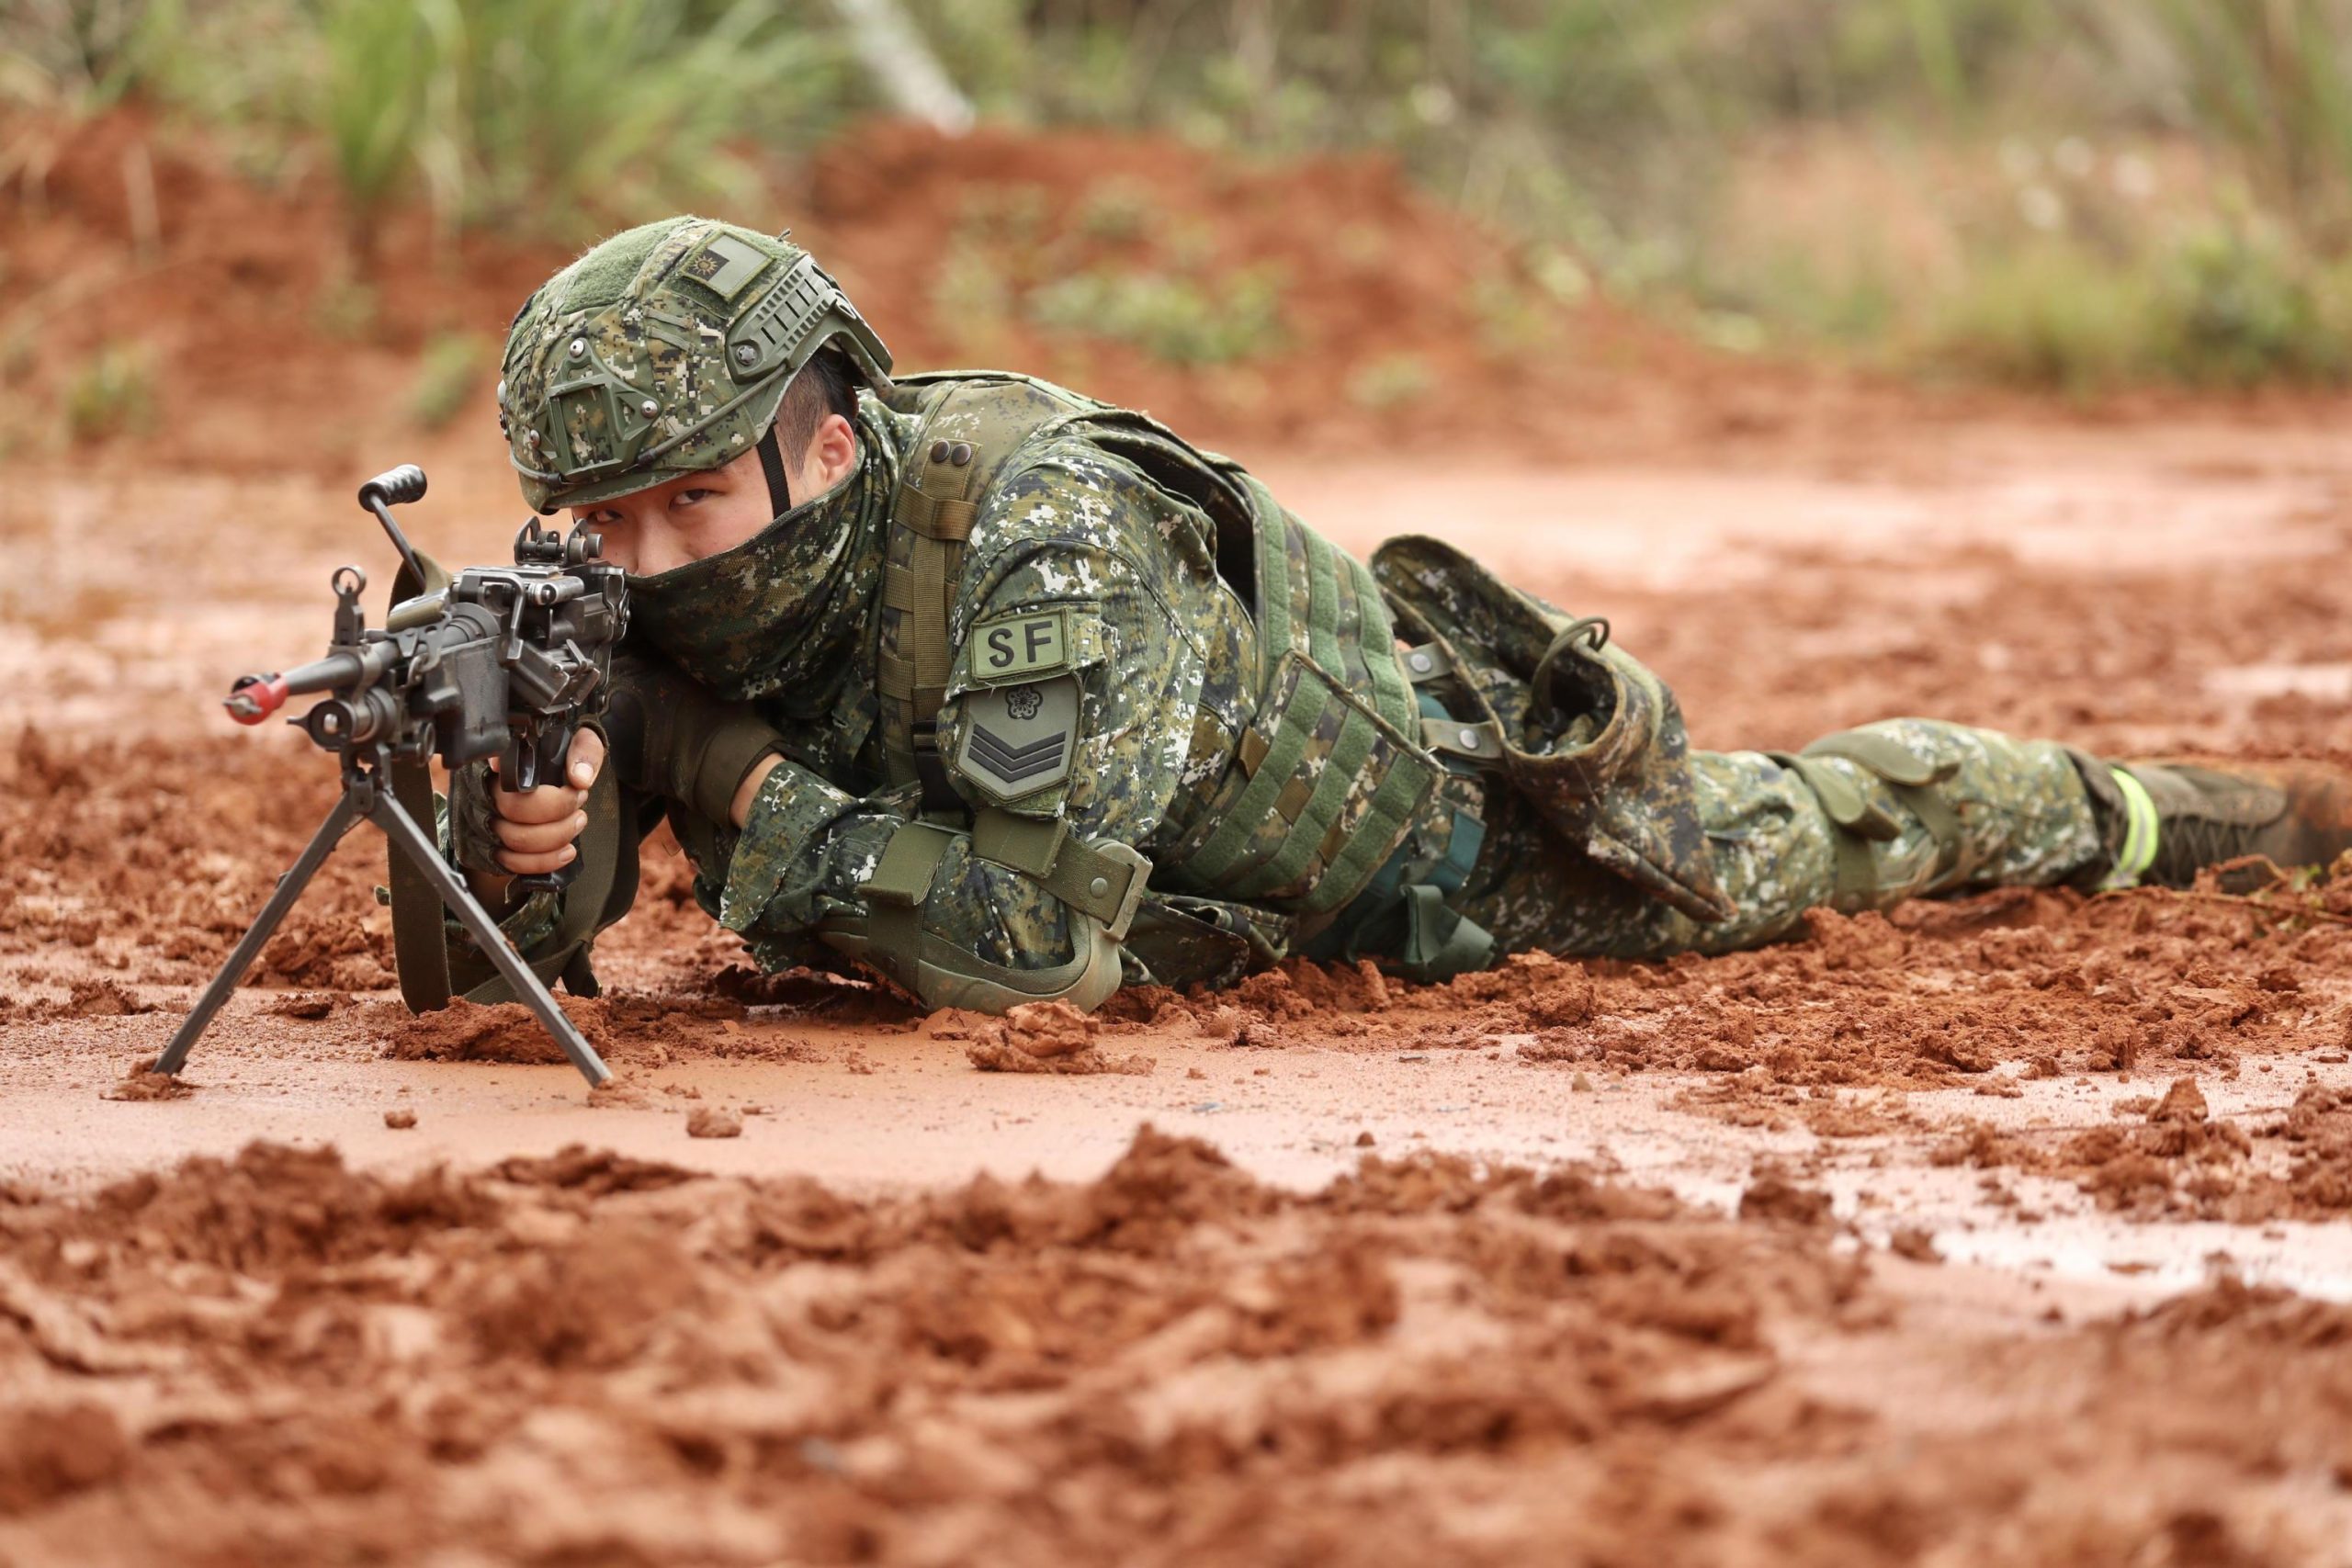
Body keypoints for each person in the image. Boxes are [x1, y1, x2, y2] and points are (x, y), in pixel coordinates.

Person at [437, 215, 2352, 1013]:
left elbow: (1031, 954)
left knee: (1830, 832)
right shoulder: (604, 599)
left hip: (1435, 843)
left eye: (696, 498)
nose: (651, 559)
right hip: (1176, 871)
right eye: (601, 522)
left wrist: (695, 754)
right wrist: (519, 820)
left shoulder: (1039, 535)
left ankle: (2189, 815)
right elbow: (495, 985)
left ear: (832, 443)